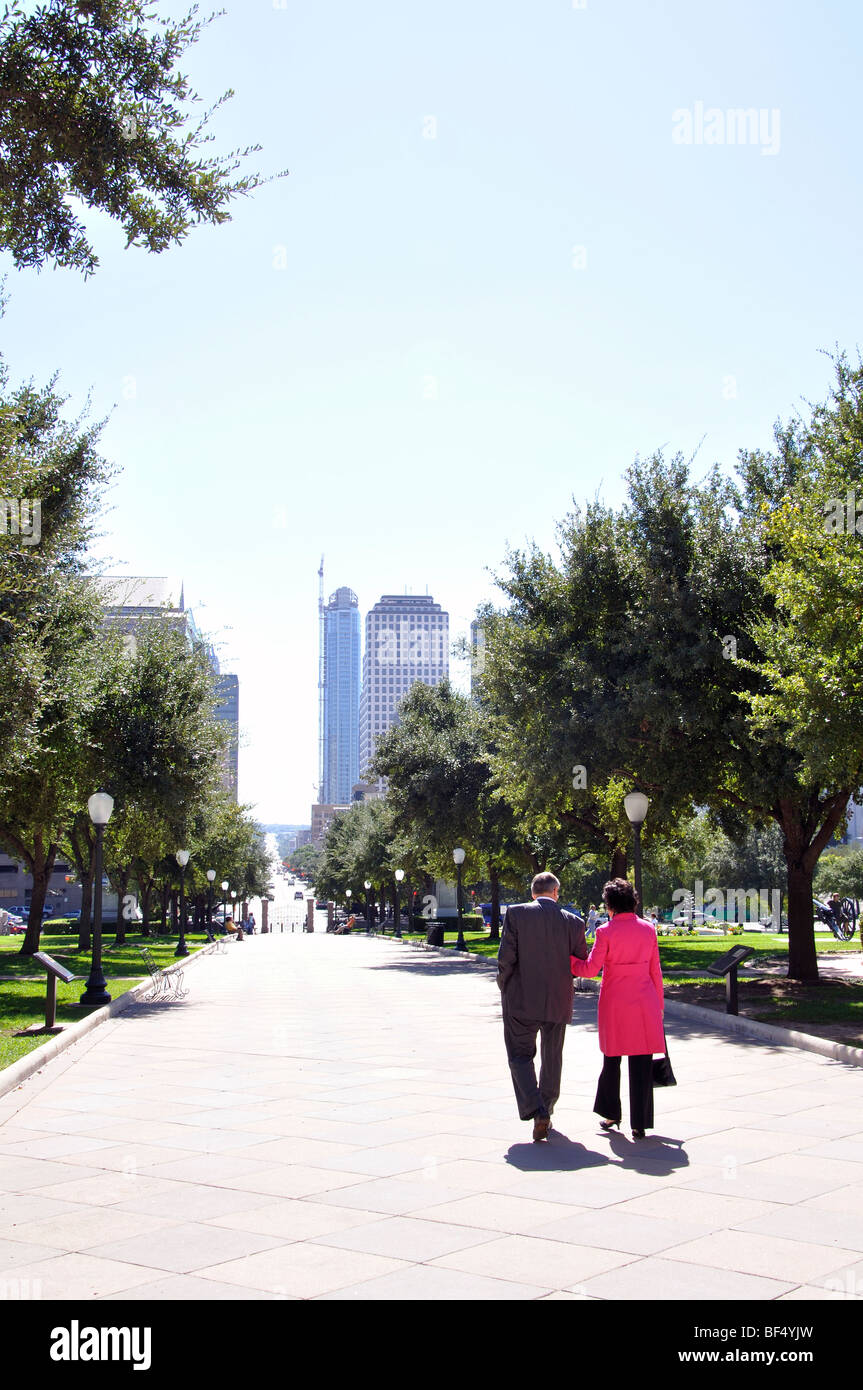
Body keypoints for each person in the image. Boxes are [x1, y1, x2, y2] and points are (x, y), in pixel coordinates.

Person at [570, 876, 665, 1138]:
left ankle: (611, 1113)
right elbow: (655, 970)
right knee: (642, 1061)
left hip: (615, 1003)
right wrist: (659, 1005)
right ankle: (641, 1122)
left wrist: (569, 961)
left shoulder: (605, 932)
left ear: (609, 905)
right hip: (645, 1001)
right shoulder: (648, 929)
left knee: (612, 1059)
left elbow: (589, 969)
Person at [497, 872, 587, 1141]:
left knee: (519, 1055)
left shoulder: (516, 914)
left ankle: (536, 1108)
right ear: (556, 892)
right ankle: (546, 1107)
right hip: (558, 998)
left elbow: (506, 957)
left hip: (521, 998)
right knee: (552, 1056)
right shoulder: (574, 922)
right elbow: (579, 961)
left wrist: (504, 984)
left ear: (533, 892)